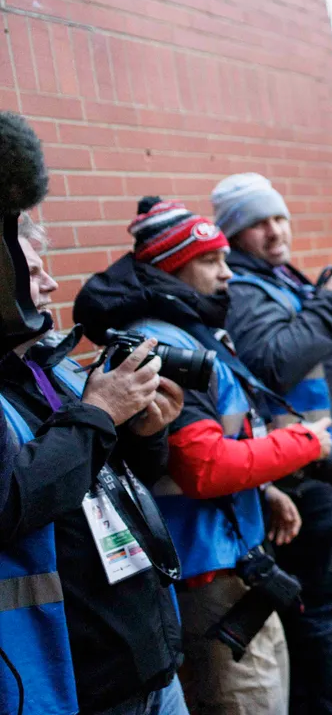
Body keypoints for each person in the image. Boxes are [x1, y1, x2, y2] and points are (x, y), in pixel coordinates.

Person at [73, 198, 332, 715]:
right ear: (171, 267)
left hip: (231, 565)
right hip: (206, 577)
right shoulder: (163, 346)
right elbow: (203, 467)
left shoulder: (188, 330)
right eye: (210, 261)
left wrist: (264, 490)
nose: (227, 273)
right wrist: (309, 443)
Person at [0, 113, 186, 715]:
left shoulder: (49, 365)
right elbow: (11, 500)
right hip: (72, 688)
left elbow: (105, 475)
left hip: (150, 667)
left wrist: (145, 432)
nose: (51, 283)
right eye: (30, 270)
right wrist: (101, 408)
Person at [211, 173, 332, 715]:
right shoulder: (242, 287)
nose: (274, 230)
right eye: (258, 223)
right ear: (234, 235)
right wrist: (331, 304)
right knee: (326, 603)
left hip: (322, 461)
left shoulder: (274, 277)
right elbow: (272, 362)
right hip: (305, 472)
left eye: (278, 217)